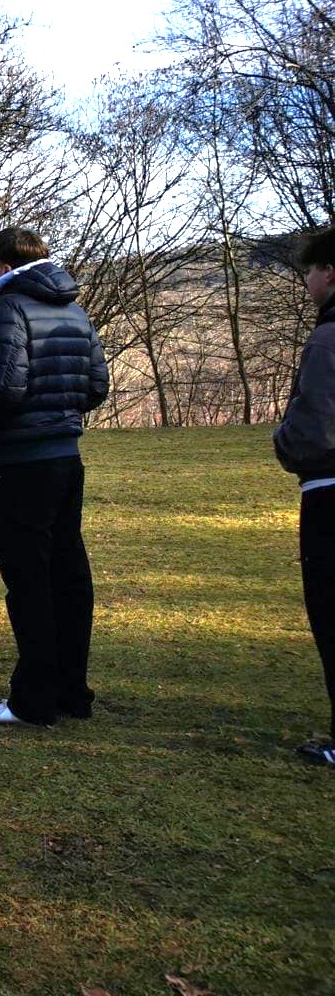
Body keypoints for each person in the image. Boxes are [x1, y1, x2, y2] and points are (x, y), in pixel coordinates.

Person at [0, 227, 109, 727]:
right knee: (69, 575)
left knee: (28, 580)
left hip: (23, 462)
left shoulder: (9, 309)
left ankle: (33, 699)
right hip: (67, 457)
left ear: (4, 265)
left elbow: (2, 387)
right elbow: (97, 385)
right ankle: (74, 690)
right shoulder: (74, 309)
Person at [272, 225, 335, 768]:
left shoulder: (327, 339)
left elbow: (310, 430)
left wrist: (283, 440)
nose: (308, 282)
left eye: (310, 271)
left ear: (329, 272)